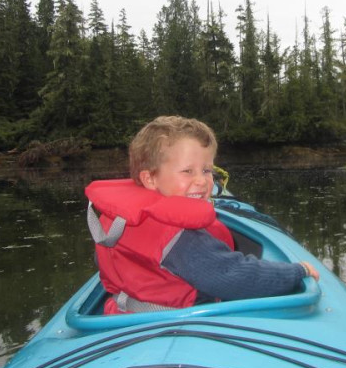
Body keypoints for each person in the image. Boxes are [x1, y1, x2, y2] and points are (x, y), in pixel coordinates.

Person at [85, 115, 320, 315]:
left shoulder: (119, 221)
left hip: (122, 312)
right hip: (177, 321)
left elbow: (105, 262)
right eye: (187, 171)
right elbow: (233, 278)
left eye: (207, 170)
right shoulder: (181, 236)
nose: (202, 180)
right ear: (150, 178)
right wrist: (297, 271)